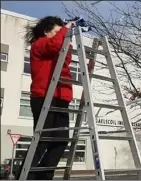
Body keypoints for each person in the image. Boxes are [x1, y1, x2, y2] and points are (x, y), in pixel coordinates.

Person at [18, 16, 76, 180]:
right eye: (57, 31)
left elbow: (64, 56)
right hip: (44, 97)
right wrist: (66, 29)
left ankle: (43, 175)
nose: (61, 33)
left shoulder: (56, 48)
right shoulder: (40, 44)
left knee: (61, 141)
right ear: (46, 32)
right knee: (42, 140)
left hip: (61, 98)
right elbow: (56, 44)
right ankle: (25, 176)